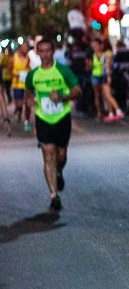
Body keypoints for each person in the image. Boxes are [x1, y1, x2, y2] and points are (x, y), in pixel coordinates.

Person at [24, 37, 81, 212]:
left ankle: (58, 172)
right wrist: (34, 108)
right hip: (43, 119)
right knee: (48, 155)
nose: (46, 54)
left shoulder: (63, 71)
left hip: (62, 117)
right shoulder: (33, 75)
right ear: (37, 53)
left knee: (61, 155)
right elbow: (28, 94)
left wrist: (62, 97)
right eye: (42, 51)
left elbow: (77, 91)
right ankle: (54, 196)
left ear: (53, 51)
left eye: (49, 50)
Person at [90, 36, 124, 121]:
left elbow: (107, 66)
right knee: (105, 95)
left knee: (108, 95)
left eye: (100, 44)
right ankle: (111, 113)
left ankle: (118, 111)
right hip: (99, 75)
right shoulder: (96, 54)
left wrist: (108, 76)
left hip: (105, 76)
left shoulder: (107, 53)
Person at [12, 42, 32, 130]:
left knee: (28, 103)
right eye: (23, 47)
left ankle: (27, 121)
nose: (25, 49)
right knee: (19, 105)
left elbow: (31, 68)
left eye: (26, 47)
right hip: (17, 84)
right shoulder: (14, 58)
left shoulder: (29, 58)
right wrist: (15, 75)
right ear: (20, 48)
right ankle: (18, 111)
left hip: (26, 84)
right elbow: (9, 70)